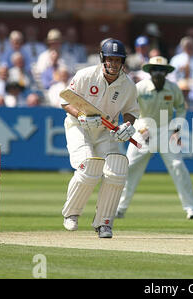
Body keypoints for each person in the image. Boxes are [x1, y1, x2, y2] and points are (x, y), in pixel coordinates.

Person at [59, 38, 140, 238]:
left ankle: (104, 223)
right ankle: (71, 214)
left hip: (106, 131)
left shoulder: (128, 85)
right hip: (79, 127)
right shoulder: (86, 75)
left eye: (118, 60)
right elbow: (65, 100)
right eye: (110, 59)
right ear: (102, 59)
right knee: (89, 166)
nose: (113, 64)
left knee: (117, 171)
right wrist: (81, 115)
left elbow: (131, 111)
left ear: (123, 62)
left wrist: (127, 125)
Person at [116, 56, 193, 220]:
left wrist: (177, 129)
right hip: (143, 130)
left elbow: (181, 109)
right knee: (130, 167)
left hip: (166, 130)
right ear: (150, 72)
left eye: (162, 70)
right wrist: (139, 128)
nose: (158, 73)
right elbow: (129, 109)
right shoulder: (140, 87)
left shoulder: (173, 88)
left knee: (178, 166)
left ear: (166, 72)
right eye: (155, 70)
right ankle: (119, 208)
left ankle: (191, 209)